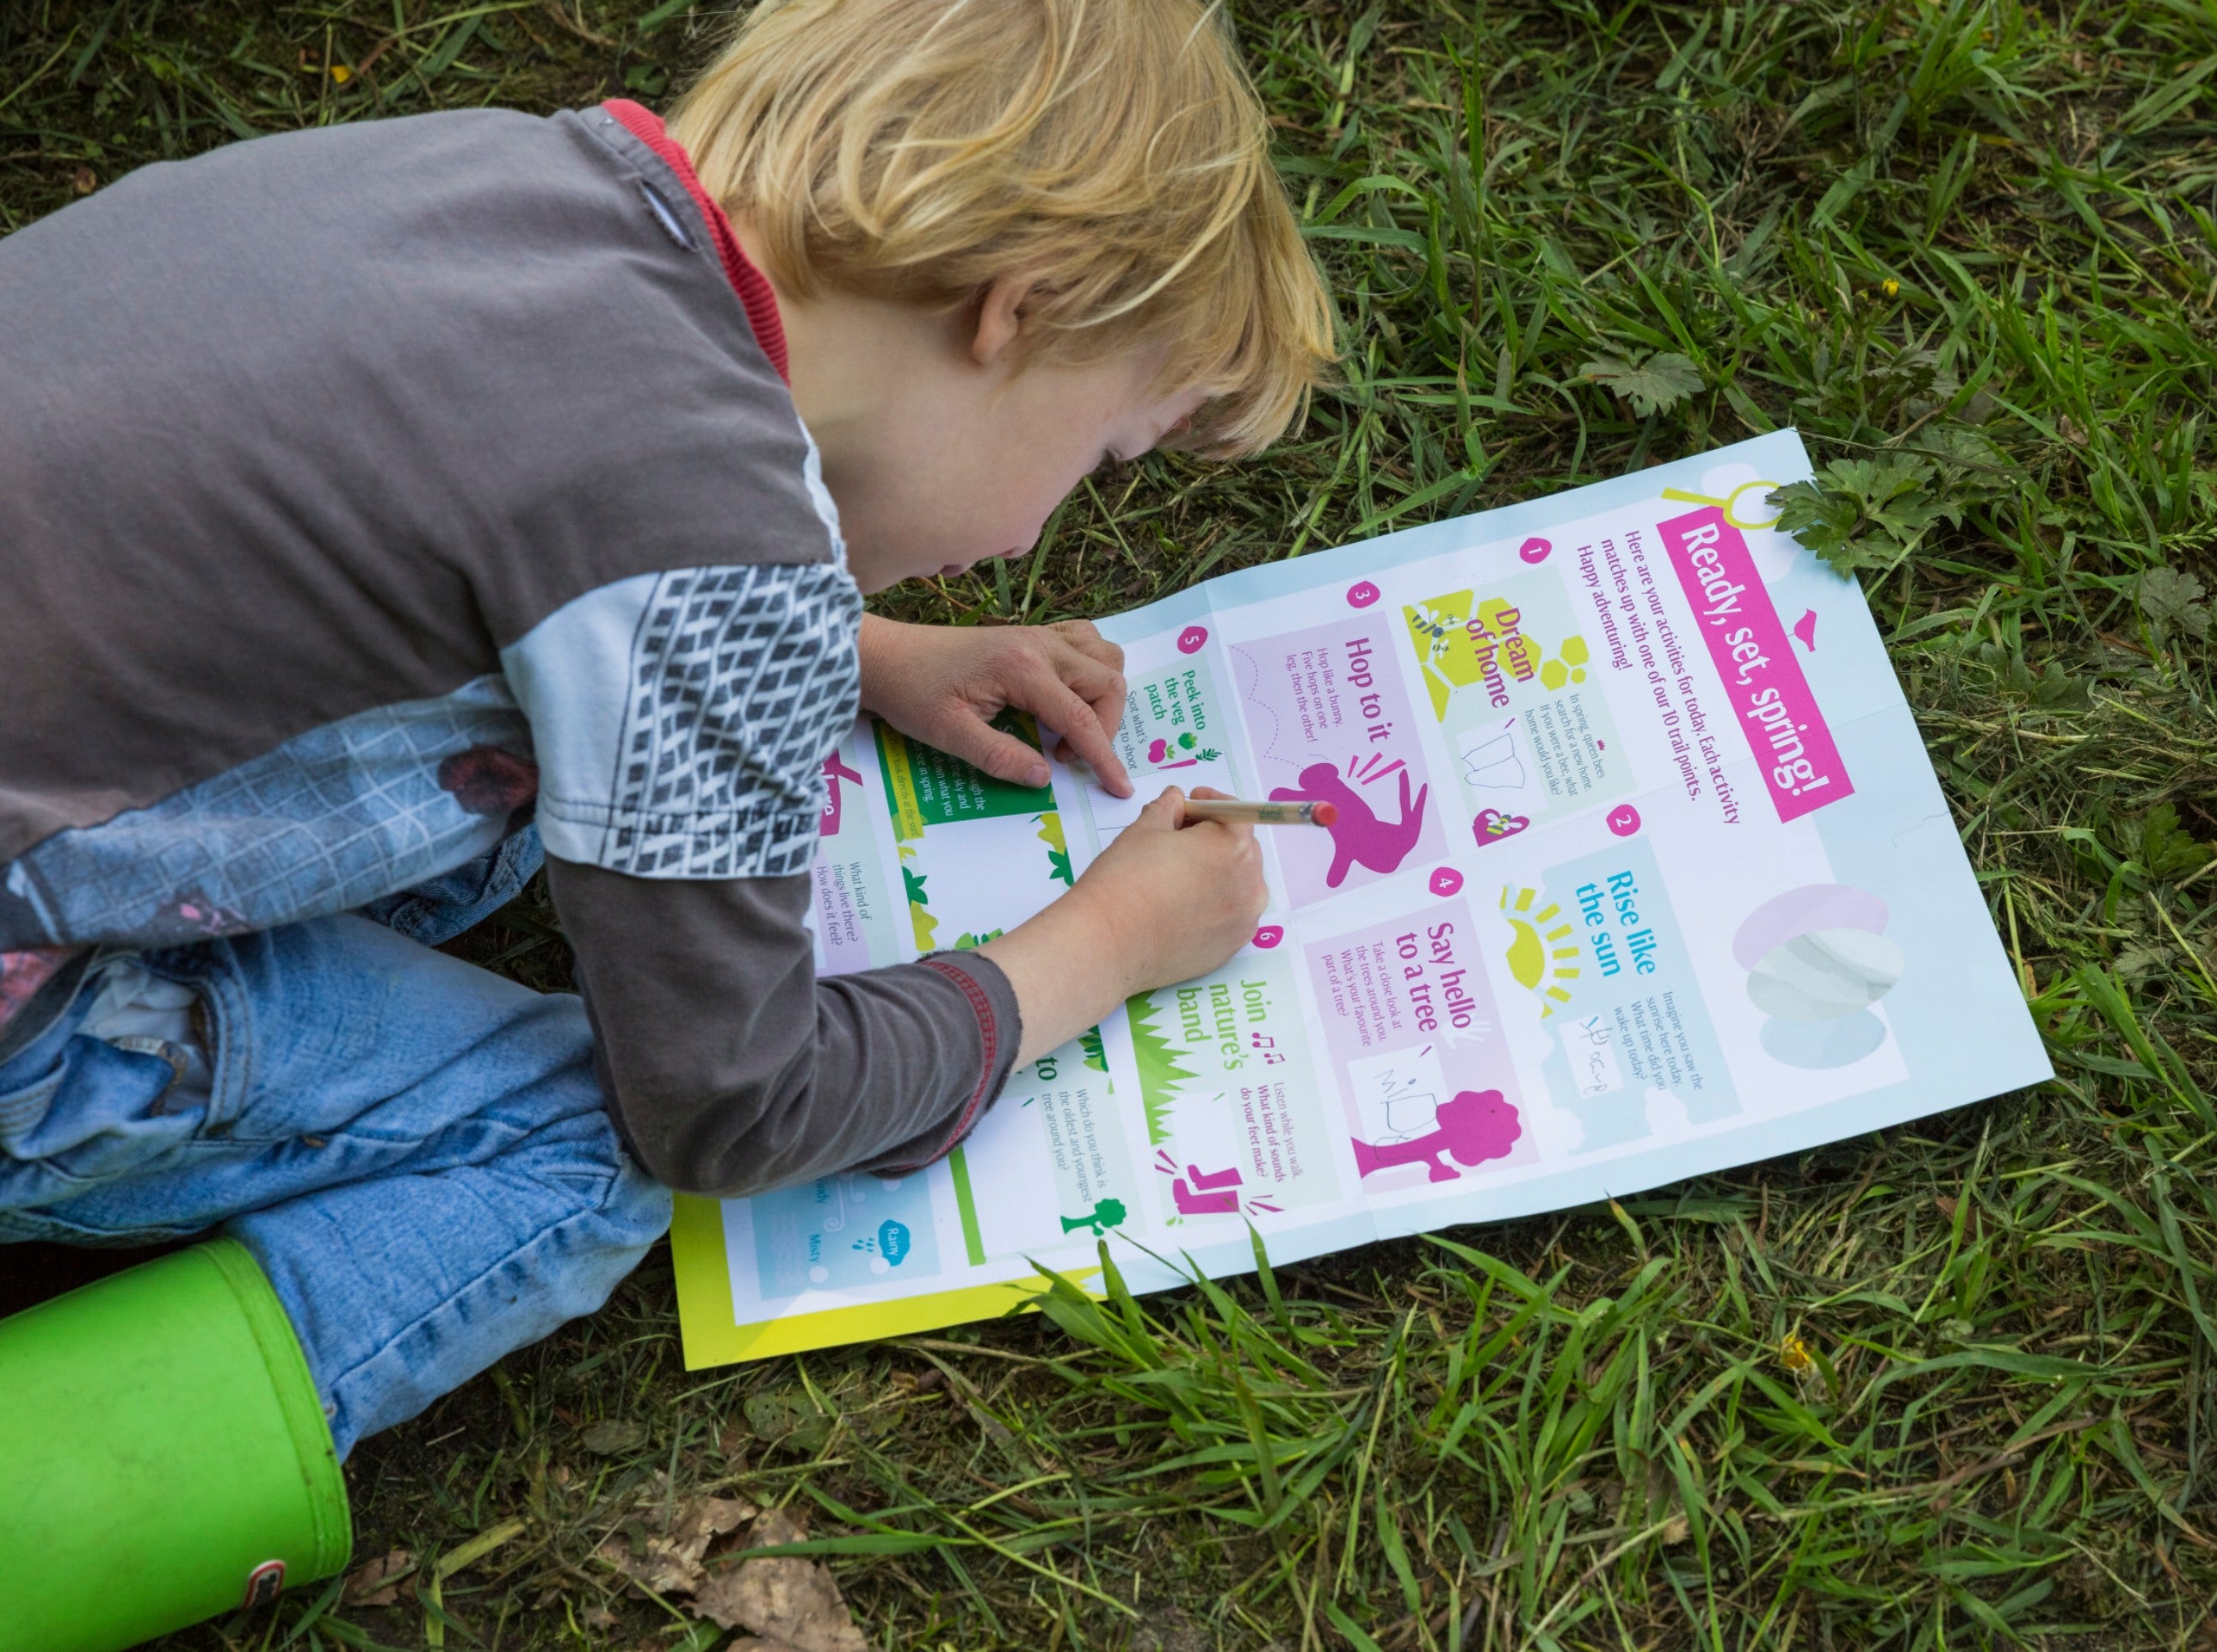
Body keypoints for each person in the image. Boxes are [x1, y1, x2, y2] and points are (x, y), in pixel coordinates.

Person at [0, 0, 1332, 1460]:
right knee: (585, 1152)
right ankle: (70, 1484)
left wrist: (853, 646)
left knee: (523, 793)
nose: (1037, 530)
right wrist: (1109, 947)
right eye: (1099, 452)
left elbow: (482, 499)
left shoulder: (501, 177)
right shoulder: (716, 579)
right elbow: (733, 1107)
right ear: (1019, 307)